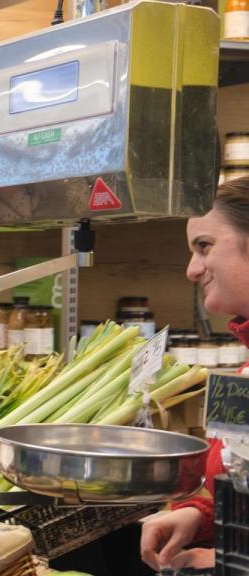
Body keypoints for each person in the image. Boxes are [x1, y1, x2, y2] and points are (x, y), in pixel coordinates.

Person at [140, 175, 249, 571]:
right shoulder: (245, 371)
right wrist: (199, 518)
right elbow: (240, 481)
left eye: (204, 247)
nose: (191, 270)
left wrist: (234, 564)